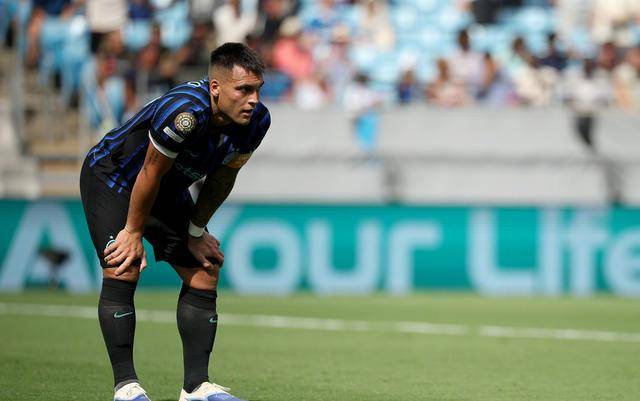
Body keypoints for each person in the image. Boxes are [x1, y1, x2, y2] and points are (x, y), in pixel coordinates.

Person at [79, 43, 270, 401]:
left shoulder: (257, 121)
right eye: (244, 90)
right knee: (123, 264)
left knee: (205, 268)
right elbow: (149, 172)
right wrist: (132, 231)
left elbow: (223, 178)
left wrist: (195, 232)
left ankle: (196, 388)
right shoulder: (184, 112)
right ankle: (126, 388)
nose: (253, 100)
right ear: (216, 88)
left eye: (258, 89)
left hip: (165, 188)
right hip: (114, 177)